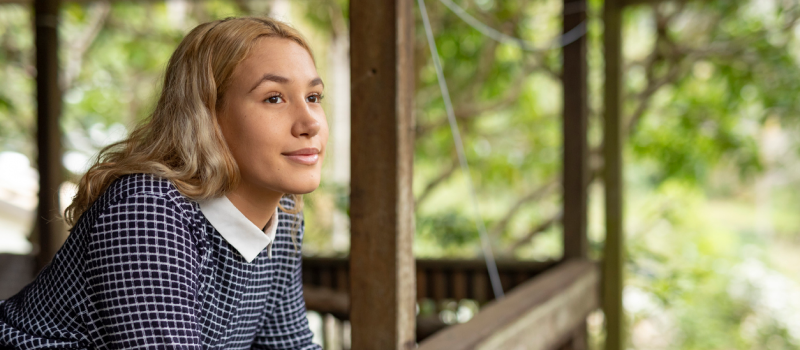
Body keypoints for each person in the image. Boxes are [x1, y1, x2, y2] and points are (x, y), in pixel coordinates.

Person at [0, 16, 326, 350]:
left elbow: (290, 345)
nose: (310, 122)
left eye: (314, 97)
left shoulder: (283, 216)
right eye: (274, 98)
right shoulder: (148, 210)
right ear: (208, 117)